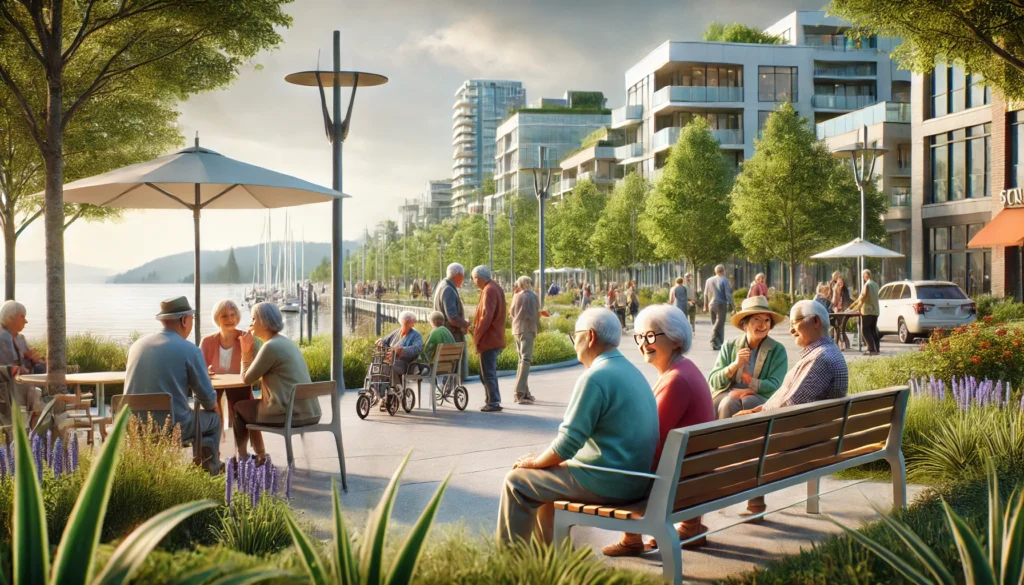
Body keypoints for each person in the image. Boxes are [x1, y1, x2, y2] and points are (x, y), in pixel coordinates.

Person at [496, 308, 658, 546]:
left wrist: (536, 462)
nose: (575, 344)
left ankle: (509, 570)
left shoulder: (595, 377)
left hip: (608, 482)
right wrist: (546, 461)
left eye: (576, 337)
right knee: (544, 485)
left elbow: (567, 444)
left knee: (517, 482)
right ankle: (552, 566)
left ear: (590, 337)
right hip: (635, 479)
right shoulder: (632, 371)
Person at [602, 305, 715, 556]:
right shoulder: (685, 370)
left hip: (678, 482)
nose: (644, 343)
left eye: (651, 336)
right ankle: (690, 525)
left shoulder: (676, 380)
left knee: (619, 462)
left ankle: (631, 539)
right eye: (640, 336)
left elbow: (650, 439)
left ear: (675, 340)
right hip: (696, 475)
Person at [734, 300, 849, 519]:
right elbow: (790, 402)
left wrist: (755, 414)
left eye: (795, 322)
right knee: (739, 414)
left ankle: (742, 503)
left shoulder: (820, 359)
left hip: (804, 442)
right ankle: (754, 503)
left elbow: (790, 406)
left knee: (733, 434)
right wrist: (759, 408)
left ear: (815, 322)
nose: (790, 329)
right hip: (816, 434)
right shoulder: (826, 353)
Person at [124, 297, 221, 473]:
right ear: (184, 320)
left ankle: (150, 471)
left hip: (132, 426)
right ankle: (210, 473)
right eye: (192, 318)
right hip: (173, 428)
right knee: (214, 420)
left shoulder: (136, 346)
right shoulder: (190, 350)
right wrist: (213, 406)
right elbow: (207, 399)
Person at [235, 302, 321, 464]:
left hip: (289, 415)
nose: (251, 323)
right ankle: (257, 456)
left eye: (254, 319)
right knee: (249, 407)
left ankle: (244, 459)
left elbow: (247, 379)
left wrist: (245, 353)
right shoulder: (286, 342)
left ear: (265, 321)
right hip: (311, 413)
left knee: (239, 408)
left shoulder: (271, 347)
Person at [707, 296, 788, 419]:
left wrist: (752, 384)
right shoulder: (729, 345)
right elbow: (713, 381)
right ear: (745, 324)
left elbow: (776, 384)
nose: (763, 325)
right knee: (725, 402)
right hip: (729, 394)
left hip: (760, 397)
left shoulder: (778, 350)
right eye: (757, 319)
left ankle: (724, 437)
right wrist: (734, 365)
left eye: (767, 320)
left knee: (742, 402)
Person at [200, 299, 261, 451]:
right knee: (212, 400)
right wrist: (205, 371)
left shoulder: (246, 338)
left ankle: (242, 451)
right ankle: (215, 449)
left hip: (240, 386)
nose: (230, 319)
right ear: (217, 318)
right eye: (225, 316)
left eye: (233, 315)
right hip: (215, 387)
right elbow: (199, 369)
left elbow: (256, 367)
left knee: (239, 400)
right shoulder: (207, 342)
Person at [0, 300, 45, 425]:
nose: (25, 321)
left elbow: (28, 362)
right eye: (22, 317)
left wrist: (34, 359)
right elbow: (10, 366)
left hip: (25, 387)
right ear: (10, 317)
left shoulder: (20, 338)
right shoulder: (2, 338)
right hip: (9, 392)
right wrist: (23, 365)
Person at [472, 266, 507, 412]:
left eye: (473, 278)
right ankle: (491, 400)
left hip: (489, 338)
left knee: (487, 372)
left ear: (478, 278)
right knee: (486, 372)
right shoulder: (494, 287)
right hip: (494, 337)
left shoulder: (489, 290)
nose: (473, 281)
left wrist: (477, 335)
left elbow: (486, 316)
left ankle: (493, 401)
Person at [434, 263, 471, 381]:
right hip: (451, 336)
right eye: (463, 276)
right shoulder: (448, 289)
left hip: (446, 334)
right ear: (458, 275)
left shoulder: (443, 286)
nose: (463, 279)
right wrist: (466, 324)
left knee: (448, 373)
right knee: (453, 372)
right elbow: (452, 317)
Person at [375, 311, 425, 393]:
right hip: (391, 360)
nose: (412, 324)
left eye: (410, 322)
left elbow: (417, 348)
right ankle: (377, 391)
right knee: (376, 366)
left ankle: (396, 390)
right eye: (405, 322)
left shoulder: (416, 335)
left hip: (405, 363)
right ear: (402, 322)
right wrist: (380, 342)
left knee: (389, 366)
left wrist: (402, 349)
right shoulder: (396, 332)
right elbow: (385, 342)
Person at [509, 276, 539, 405]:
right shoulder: (532, 295)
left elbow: (511, 312)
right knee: (526, 360)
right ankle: (519, 392)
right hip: (528, 329)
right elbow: (536, 312)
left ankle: (525, 392)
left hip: (516, 329)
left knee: (521, 360)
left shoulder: (516, 295)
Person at [849, 269, 881, 355]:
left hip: (867, 311)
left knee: (865, 330)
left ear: (867, 275)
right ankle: (877, 348)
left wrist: (856, 307)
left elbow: (863, 297)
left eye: (863, 275)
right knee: (873, 329)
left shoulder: (867, 285)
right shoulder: (875, 284)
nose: (863, 277)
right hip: (875, 311)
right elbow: (862, 297)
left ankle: (871, 349)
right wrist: (852, 306)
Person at [703, 264, 734, 351]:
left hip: (711, 305)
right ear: (723, 271)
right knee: (719, 324)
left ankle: (717, 343)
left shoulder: (708, 280)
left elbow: (705, 294)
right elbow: (728, 295)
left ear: (715, 271)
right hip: (721, 304)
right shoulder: (724, 280)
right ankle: (714, 339)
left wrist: (705, 305)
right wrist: (733, 306)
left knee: (716, 323)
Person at [831, 274, 853, 350]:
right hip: (836, 311)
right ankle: (838, 346)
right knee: (837, 329)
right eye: (839, 282)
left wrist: (852, 306)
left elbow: (848, 301)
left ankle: (845, 345)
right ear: (836, 282)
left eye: (842, 282)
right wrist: (835, 291)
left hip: (844, 312)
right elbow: (833, 302)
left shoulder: (845, 291)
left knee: (842, 329)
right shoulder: (834, 290)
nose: (841, 284)